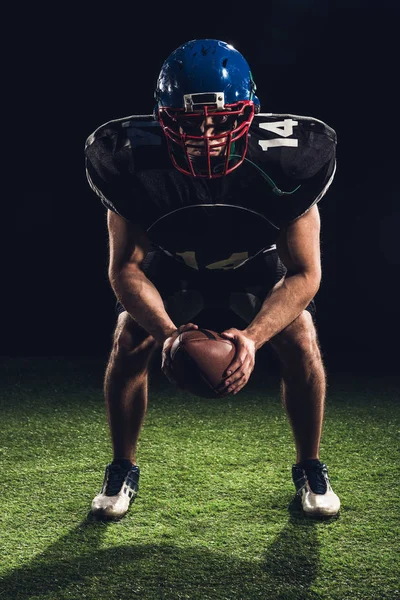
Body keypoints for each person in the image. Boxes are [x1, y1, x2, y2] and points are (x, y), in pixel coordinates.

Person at [84, 38, 340, 521]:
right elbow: (125, 268)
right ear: (163, 121)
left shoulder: (288, 161)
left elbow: (306, 273)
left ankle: (311, 467)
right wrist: (168, 336)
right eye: (188, 123)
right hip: (175, 266)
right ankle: (122, 468)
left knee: (302, 333)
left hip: (255, 267)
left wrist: (254, 337)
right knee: (128, 337)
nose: (206, 134)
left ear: (250, 115)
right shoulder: (130, 163)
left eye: (221, 120)